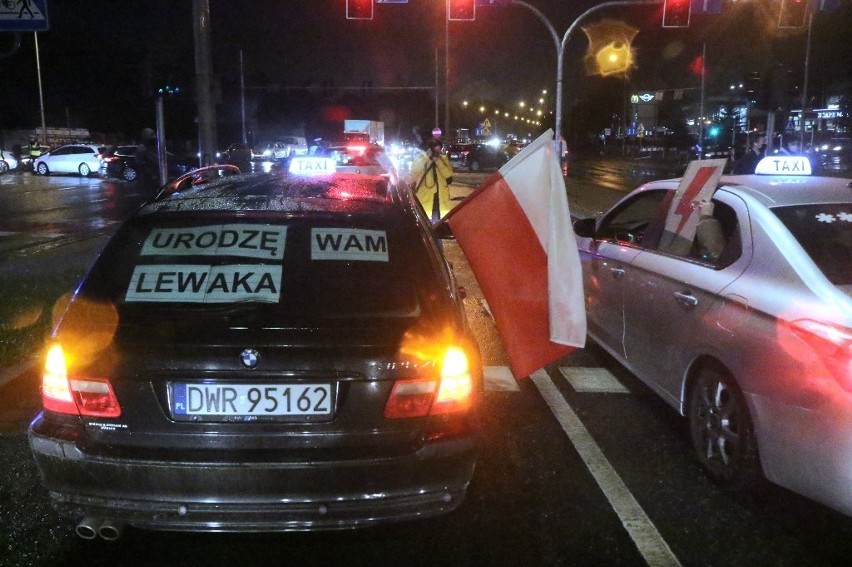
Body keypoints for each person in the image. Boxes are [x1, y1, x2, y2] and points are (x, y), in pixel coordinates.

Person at [413, 138, 454, 223]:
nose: (437, 153)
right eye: (435, 151)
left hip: (441, 196)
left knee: (440, 221)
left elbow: (448, 174)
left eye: (439, 150)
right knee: (426, 221)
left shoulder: (443, 159)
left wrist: (438, 161)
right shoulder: (421, 158)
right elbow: (414, 171)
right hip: (426, 196)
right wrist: (426, 158)